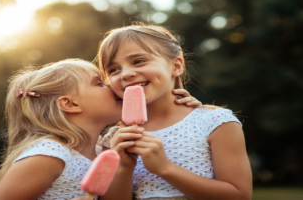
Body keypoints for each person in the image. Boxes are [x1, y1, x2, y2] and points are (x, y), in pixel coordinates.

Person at [0, 58, 201, 200]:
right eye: (99, 83)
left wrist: (179, 106)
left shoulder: (104, 150)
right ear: (70, 104)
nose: (112, 86)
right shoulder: (49, 154)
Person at [96, 23, 253, 200]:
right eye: (113, 70)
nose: (125, 74)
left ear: (176, 66)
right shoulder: (115, 138)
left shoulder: (215, 122)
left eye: (139, 61)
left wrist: (165, 168)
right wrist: (123, 167)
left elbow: (240, 196)